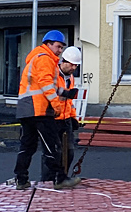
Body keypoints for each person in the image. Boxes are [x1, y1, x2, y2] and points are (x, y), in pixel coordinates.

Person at [13, 31, 75, 189]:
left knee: (27, 146)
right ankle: (60, 178)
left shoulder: (35, 58)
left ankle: (21, 179)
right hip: (39, 109)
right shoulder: (45, 58)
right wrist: (56, 105)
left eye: (62, 48)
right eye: (58, 46)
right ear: (48, 44)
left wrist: (64, 93)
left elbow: (44, 85)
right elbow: (46, 84)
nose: (60, 50)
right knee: (52, 145)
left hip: (26, 109)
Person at [56, 45, 84, 185]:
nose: (73, 68)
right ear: (64, 61)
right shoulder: (54, 75)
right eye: (72, 65)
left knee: (69, 152)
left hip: (66, 118)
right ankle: (50, 179)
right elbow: (51, 95)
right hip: (53, 118)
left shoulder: (70, 78)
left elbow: (70, 102)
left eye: (76, 66)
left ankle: (64, 178)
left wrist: (73, 117)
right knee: (54, 153)